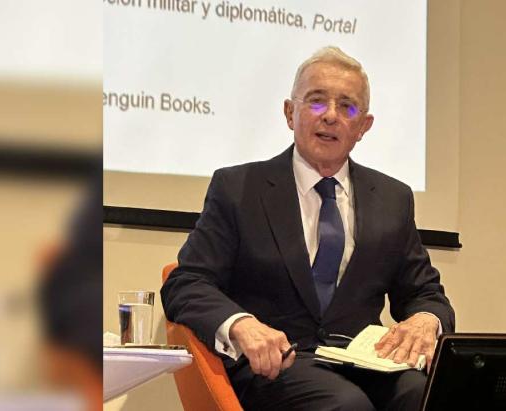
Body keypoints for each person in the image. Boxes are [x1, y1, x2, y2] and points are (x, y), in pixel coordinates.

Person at [161, 46, 455, 410]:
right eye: (316, 101)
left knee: (429, 393)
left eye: (347, 107)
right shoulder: (239, 188)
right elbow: (187, 282)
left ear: (364, 127)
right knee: (345, 405)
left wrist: (426, 319)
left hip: (365, 362)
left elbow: (423, 291)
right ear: (290, 113)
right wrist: (241, 324)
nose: (330, 116)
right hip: (276, 366)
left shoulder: (392, 198)